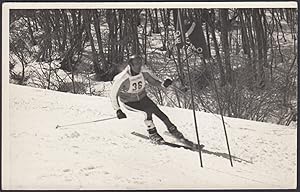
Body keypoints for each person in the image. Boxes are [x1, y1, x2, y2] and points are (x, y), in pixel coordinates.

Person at [110, 54, 184, 144]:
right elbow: (113, 95)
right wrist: (118, 110)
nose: (139, 67)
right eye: (136, 64)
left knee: (157, 111)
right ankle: (152, 134)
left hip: (142, 98)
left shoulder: (143, 71)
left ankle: (172, 129)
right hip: (129, 102)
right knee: (147, 112)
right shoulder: (122, 78)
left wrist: (163, 84)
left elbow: (153, 81)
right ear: (130, 65)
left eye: (140, 63)